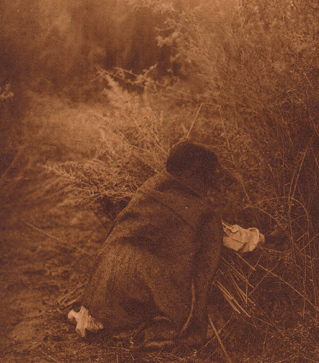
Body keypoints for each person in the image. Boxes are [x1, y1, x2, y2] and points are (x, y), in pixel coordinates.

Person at [68, 141, 222, 349]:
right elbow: (205, 250)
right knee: (161, 282)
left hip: (102, 290)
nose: (206, 184)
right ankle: (144, 327)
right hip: (132, 285)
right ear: (191, 175)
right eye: (204, 177)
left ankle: (117, 323)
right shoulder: (198, 210)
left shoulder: (150, 188)